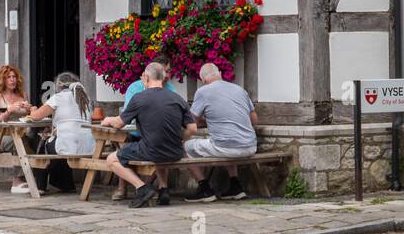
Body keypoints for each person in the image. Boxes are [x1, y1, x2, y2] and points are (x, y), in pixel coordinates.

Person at [101, 62, 195, 208]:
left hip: (150, 150)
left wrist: (107, 120)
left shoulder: (139, 98)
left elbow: (119, 123)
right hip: (176, 152)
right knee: (156, 146)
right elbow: (193, 128)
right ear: (164, 78)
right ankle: (164, 190)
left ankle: (142, 188)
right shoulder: (178, 98)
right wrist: (180, 139)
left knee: (112, 159)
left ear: (145, 77)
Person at [183, 63, 258, 202]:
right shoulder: (239, 89)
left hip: (225, 148)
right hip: (250, 146)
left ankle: (204, 188)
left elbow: (192, 122)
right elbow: (254, 120)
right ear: (220, 74)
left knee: (183, 147)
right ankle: (236, 187)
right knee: (227, 136)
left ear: (203, 80)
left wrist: (208, 121)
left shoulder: (203, 92)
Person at [25, 71, 95, 194]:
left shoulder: (57, 98)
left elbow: (36, 116)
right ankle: (64, 184)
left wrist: (32, 109)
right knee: (58, 144)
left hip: (68, 144)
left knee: (43, 146)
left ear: (59, 86)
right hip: (89, 145)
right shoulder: (85, 99)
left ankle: (40, 186)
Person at [0, 64, 33, 193]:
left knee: (37, 140)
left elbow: (29, 116)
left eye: (14, 77)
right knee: (17, 141)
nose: (12, 80)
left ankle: (35, 179)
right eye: (8, 77)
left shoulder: (23, 94)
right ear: (3, 80)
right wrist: (8, 110)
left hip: (22, 132)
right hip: (1, 136)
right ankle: (17, 180)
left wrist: (30, 109)